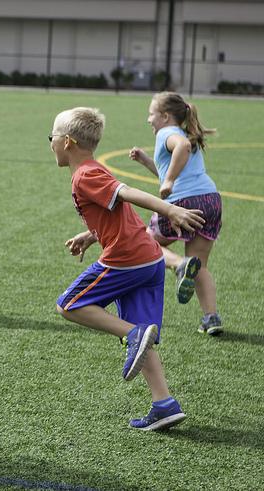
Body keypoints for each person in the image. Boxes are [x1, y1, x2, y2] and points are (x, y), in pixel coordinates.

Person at [51, 107, 204, 430]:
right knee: (144, 338)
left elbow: (126, 193)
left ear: (66, 142)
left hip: (128, 259)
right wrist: (90, 236)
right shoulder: (89, 172)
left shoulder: (86, 174)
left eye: (51, 138)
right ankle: (164, 403)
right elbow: (116, 212)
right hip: (149, 259)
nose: (49, 143)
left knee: (69, 305)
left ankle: (130, 334)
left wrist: (169, 209)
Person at [129, 92, 223, 335]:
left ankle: (180, 264)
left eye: (151, 114)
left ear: (165, 116)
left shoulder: (167, 134)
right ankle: (211, 318)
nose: (148, 119)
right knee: (200, 265)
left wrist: (168, 181)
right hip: (210, 200)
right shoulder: (183, 133)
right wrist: (147, 161)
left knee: (143, 242)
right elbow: (170, 167)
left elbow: (179, 150)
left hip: (183, 203)